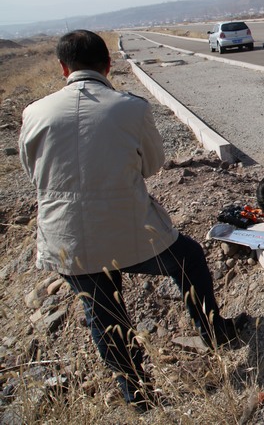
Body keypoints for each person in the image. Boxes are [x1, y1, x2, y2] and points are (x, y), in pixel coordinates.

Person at [19, 30, 243, 410]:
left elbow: (33, 172)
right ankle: (214, 332)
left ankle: (137, 396)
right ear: (108, 65)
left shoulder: (34, 112)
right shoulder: (131, 107)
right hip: (131, 231)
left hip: (66, 239)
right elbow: (153, 165)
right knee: (188, 257)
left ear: (62, 68)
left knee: (103, 313)